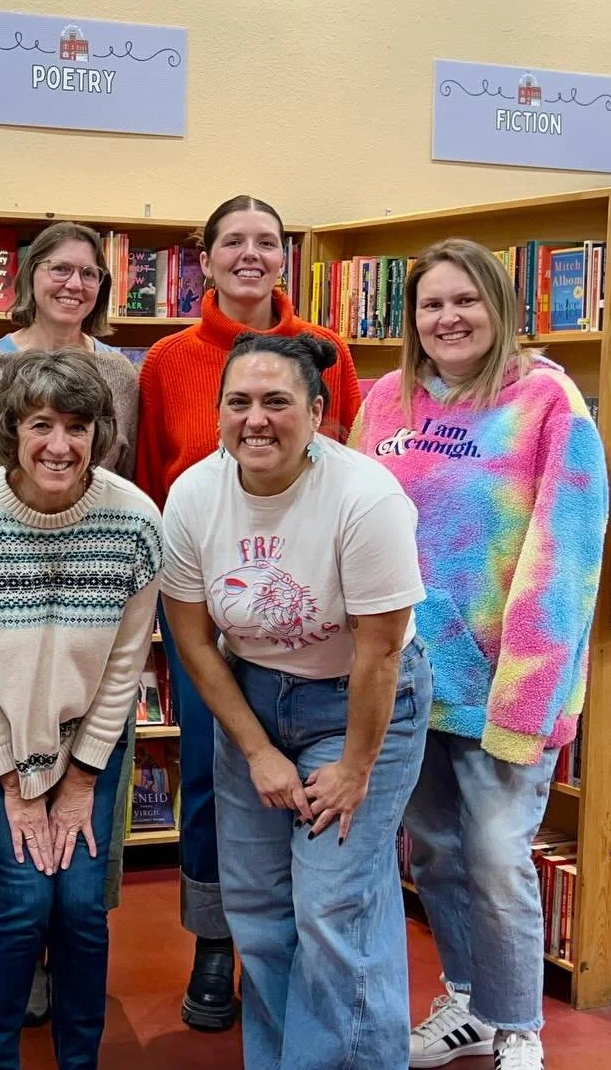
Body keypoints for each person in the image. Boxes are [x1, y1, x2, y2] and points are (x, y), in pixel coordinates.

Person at [349, 239, 609, 1070]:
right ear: (412, 318)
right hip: (407, 679)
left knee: (499, 855)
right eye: (431, 304)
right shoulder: (384, 401)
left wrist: (529, 696)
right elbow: (356, 525)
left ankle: (517, 1022)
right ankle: (465, 1001)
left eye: (466, 300)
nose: (448, 317)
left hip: (505, 683)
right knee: (435, 853)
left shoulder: (547, 400)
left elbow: (565, 551)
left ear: (499, 306)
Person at [160, 331, 429, 1068]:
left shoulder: (366, 496)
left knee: (332, 907)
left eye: (277, 401)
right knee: (258, 913)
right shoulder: (192, 496)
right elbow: (192, 641)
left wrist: (354, 767)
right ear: (217, 412)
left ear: (318, 413)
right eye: (238, 401)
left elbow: (379, 651)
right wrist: (256, 749)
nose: (256, 419)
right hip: (254, 698)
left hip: (360, 704)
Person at [135, 195, 362, 1029]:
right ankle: (214, 941)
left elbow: (344, 469)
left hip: (306, 602)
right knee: (213, 772)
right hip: (204, 597)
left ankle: (301, 936)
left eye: (267, 241)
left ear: (285, 257)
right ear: (205, 257)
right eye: (233, 240)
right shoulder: (165, 360)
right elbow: (153, 474)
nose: (250, 254)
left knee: (308, 765)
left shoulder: (327, 351)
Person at [0, 348, 162, 1070]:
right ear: (11, 430)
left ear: (101, 432)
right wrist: (15, 786)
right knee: (28, 902)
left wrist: (83, 778)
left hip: (89, 738)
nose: (59, 444)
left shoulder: (135, 521)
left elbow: (127, 662)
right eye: (41, 424)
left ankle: (78, 1061)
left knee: (84, 909)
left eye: (77, 425)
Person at [0, 220, 138, 497]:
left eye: (89, 274)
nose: (75, 284)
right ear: (31, 274)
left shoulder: (121, 375)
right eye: (60, 269)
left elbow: (125, 482)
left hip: (98, 537)